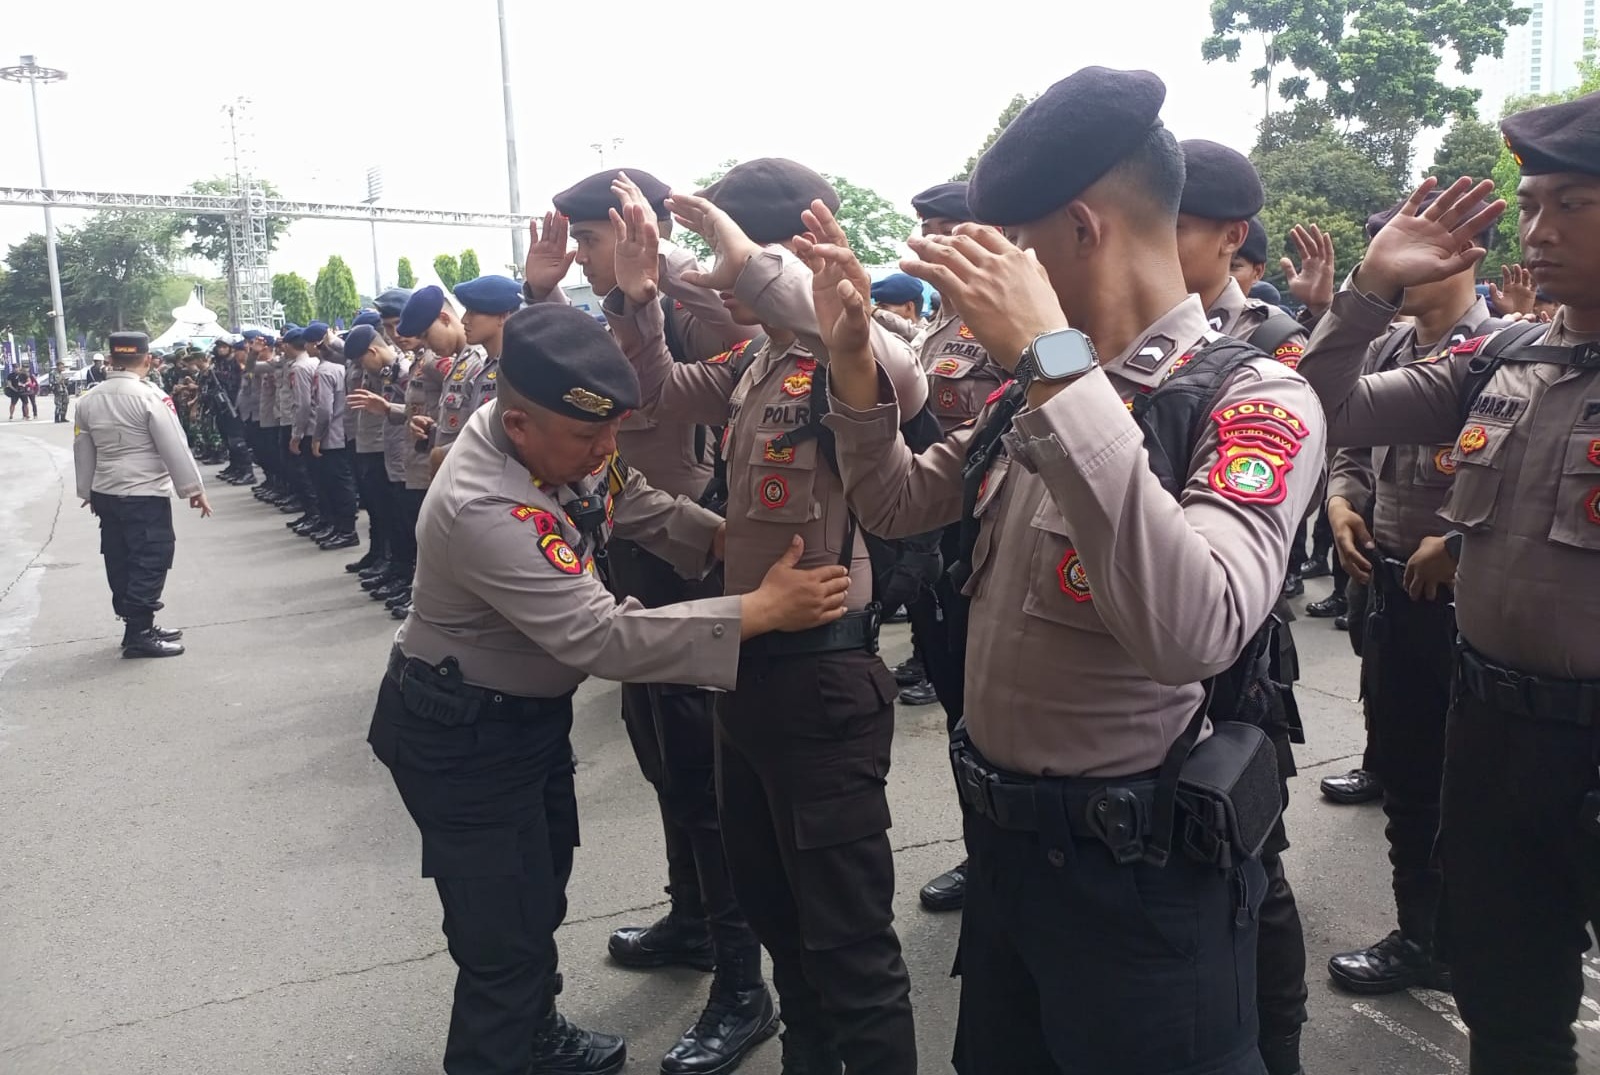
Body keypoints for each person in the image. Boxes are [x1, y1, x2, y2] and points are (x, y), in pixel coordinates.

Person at [809, 66, 1324, 1075]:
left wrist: (1050, 364)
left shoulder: (1248, 398)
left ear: (1080, 231)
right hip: (1008, 859)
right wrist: (853, 367)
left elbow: (1194, 628)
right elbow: (898, 505)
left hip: (1137, 884)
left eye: (1017, 250)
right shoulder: (1031, 392)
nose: (998, 279)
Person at [368, 301, 852, 1075]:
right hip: (460, 733)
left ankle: (537, 1032)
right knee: (502, 941)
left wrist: (717, 535)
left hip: (516, 723)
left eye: (611, 433)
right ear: (518, 424)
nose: (605, 450)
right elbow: (605, 636)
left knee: (539, 894)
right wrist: (757, 612)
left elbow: (631, 502)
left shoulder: (562, 446)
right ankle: (502, 1049)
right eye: (588, 437)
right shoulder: (487, 506)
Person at [1298, 91, 1600, 1072]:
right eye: (1531, 205)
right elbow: (1321, 406)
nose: (1538, 231)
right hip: (1494, 734)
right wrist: (1367, 289)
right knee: (1507, 1001)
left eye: (1572, 205)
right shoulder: (1501, 360)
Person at [604, 159, 925, 1074]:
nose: (715, 271)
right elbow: (659, 394)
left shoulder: (856, 344)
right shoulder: (760, 361)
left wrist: (748, 263)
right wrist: (637, 301)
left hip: (822, 678)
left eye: (729, 253)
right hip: (746, 667)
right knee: (783, 925)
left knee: (849, 948)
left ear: (786, 251)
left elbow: (903, 382)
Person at [525, 167, 777, 1075]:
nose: (583, 256)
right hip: (631, 546)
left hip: (692, 553)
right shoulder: (596, 316)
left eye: (589, 239)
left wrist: (659, 280)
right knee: (665, 761)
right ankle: (695, 918)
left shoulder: (682, 306)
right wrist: (542, 294)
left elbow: (751, 344)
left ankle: (745, 986)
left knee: (708, 781)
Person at [1314, 188, 1502, 1000]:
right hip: (1389, 583)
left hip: (1475, 606)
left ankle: (1472, 934)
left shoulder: (1500, 351)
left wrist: (1460, 537)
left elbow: (1527, 477)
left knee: (1474, 785)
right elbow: (1346, 434)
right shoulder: (1384, 349)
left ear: (1471, 256)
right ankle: (1421, 933)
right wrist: (1342, 500)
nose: (1404, 270)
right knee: (1405, 771)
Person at [1173, 136, 1312, 1075]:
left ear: (1230, 239)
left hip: (1236, 644)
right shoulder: (1105, 342)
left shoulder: (1264, 346)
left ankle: (1281, 1045)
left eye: (1172, 225)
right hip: (1154, 648)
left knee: (1254, 864)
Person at [897, 179, 1008, 914]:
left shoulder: (1011, 326)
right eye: (926, 231)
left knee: (991, 710)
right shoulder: (935, 328)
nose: (930, 244)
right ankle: (983, 849)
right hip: (932, 544)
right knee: (954, 703)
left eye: (947, 228)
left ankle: (1005, 858)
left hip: (988, 541)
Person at [73, 332, 212, 659]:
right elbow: (173, 445)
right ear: (147, 359)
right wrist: (193, 489)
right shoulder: (151, 397)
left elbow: (82, 447)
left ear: (110, 359)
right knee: (151, 558)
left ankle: (136, 623)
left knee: (119, 555)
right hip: (143, 491)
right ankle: (139, 633)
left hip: (106, 489)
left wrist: (87, 489)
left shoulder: (89, 399)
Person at [398, 285, 487, 473]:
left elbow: (485, 434)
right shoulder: (459, 364)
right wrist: (432, 430)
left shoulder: (479, 362)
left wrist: (442, 453)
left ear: (444, 319)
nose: (427, 346)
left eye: (427, 336)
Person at [308, 325, 359, 550]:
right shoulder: (340, 368)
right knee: (338, 484)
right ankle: (341, 528)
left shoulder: (326, 371)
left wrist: (316, 437)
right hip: (342, 434)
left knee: (337, 485)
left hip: (332, 436)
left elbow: (324, 410)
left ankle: (345, 530)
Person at [869, 273, 925, 342]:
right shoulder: (883, 335)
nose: (879, 311)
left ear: (909, 307)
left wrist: (875, 311)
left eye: (883, 306)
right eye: (876, 305)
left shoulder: (928, 337)